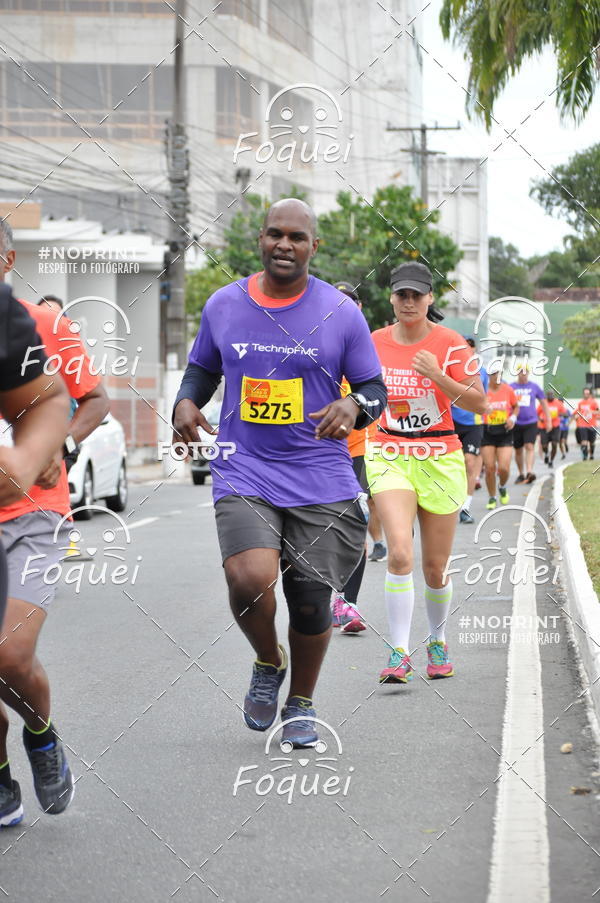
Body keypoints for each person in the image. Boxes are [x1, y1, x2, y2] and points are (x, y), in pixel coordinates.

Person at [172, 199, 386, 748]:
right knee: (248, 578)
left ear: (314, 246)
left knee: (312, 599)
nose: (284, 245)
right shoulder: (225, 304)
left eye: (296, 236)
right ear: (261, 241)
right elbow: (202, 367)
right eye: (274, 235)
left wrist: (353, 407)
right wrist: (185, 403)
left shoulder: (341, 312)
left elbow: (374, 390)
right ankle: (269, 660)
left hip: (319, 469)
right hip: (245, 466)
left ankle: (302, 702)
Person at [0, 221, 109, 823]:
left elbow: (91, 399)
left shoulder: (39, 325)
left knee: (10, 656)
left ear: (8, 258)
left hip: (31, 513)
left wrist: (54, 447)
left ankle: (40, 733)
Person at [365, 262, 485, 684]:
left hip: (440, 454)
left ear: (431, 298)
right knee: (399, 552)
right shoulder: (373, 342)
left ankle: (437, 639)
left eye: (418, 294)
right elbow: (354, 388)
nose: (409, 301)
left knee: (435, 568)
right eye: (402, 295)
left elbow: (480, 403)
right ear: (392, 298)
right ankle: (398, 652)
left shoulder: (451, 343)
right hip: (389, 452)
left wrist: (437, 376)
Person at [330, 281, 373, 634]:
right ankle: (320, 598)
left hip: (357, 453)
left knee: (356, 527)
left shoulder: (368, 350)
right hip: (314, 454)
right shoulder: (311, 342)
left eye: (349, 303)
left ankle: (348, 602)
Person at [451, 336, 488, 524]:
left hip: (473, 423)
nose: (467, 351)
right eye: (464, 348)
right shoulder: (449, 368)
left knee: (470, 463)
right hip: (452, 423)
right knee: (453, 465)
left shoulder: (481, 372)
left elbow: (483, 399)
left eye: (470, 348)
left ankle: (465, 507)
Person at [481, 365, 519, 509]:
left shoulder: (508, 389)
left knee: (503, 468)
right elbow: (475, 406)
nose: (497, 377)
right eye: (493, 374)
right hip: (487, 430)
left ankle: (502, 486)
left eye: (499, 374)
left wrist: (513, 418)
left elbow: (516, 406)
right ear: (488, 376)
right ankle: (492, 497)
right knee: (490, 468)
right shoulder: (483, 390)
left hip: (505, 430)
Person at [510, 366, 549, 484]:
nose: (523, 374)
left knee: (530, 446)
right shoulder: (511, 387)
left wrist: (549, 420)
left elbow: (543, 402)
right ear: (517, 373)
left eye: (526, 372)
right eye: (521, 372)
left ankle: (529, 472)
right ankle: (521, 473)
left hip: (531, 422)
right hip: (516, 423)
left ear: (528, 373)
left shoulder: (534, 386)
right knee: (518, 450)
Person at [539, 390, 566, 468]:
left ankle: (551, 461)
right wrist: (540, 418)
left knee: (554, 445)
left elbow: (565, 413)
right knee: (544, 446)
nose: (550, 396)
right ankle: (546, 454)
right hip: (544, 427)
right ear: (546, 395)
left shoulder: (558, 403)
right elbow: (536, 413)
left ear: (554, 395)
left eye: (552, 394)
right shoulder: (543, 403)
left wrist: (559, 414)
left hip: (555, 427)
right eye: (549, 394)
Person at [572, 386, 599, 461]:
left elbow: (598, 411)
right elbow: (579, 411)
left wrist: (591, 411)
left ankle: (591, 455)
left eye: (587, 393)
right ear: (583, 394)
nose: (586, 395)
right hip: (582, 425)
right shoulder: (580, 403)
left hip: (592, 424)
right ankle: (584, 456)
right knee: (584, 441)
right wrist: (577, 416)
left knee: (592, 442)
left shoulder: (594, 402)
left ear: (589, 394)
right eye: (585, 393)